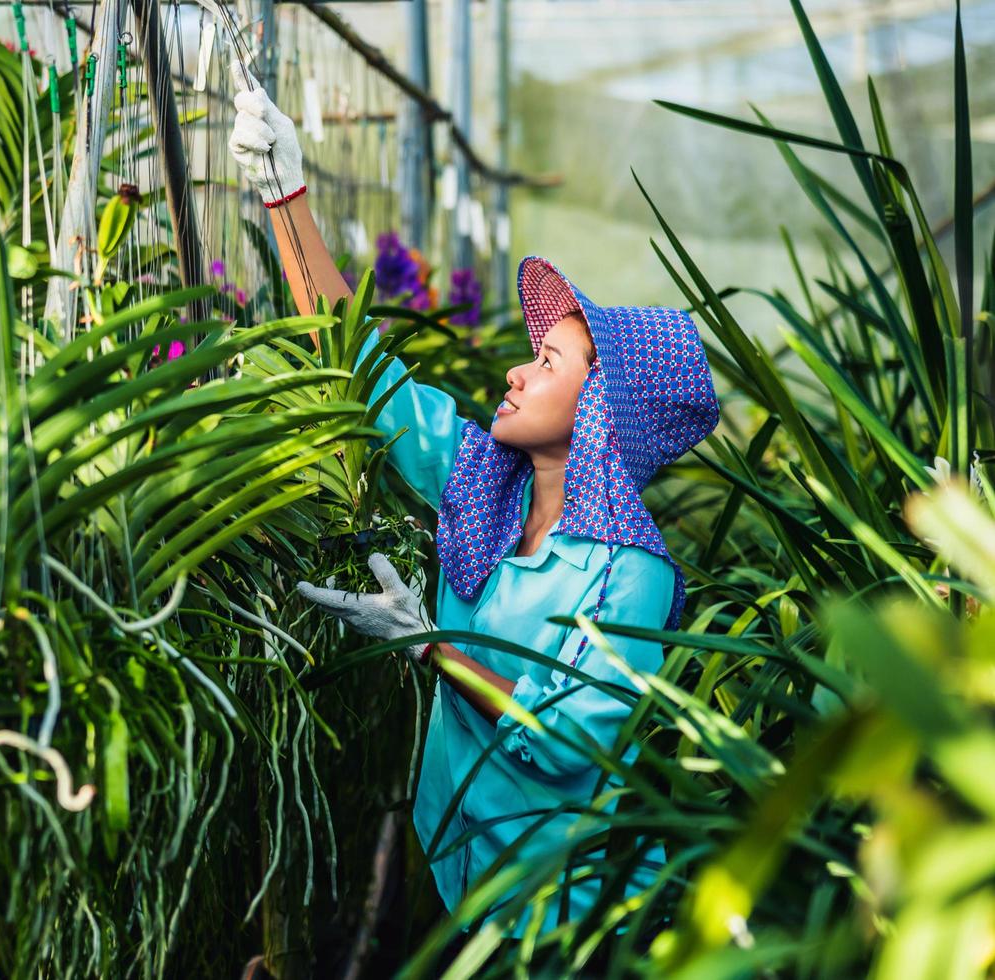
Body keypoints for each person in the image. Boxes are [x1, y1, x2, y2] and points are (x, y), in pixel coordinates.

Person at [225, 63, 721, 939]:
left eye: (550, 364)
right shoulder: (484, 487)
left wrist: (430, 646)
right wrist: (285, 197)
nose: (517, 370)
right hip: (461, 865)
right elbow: (364, 372)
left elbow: (566, 743)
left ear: (602, 412)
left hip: (564, 916)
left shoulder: (628, 577)